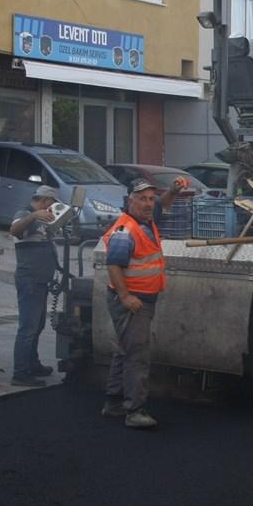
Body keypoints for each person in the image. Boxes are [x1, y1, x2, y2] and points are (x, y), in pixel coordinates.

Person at [100, 176, 187, 429]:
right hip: (132, 302)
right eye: (142, 199)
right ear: (130, 201)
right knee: (137, 355)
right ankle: (135, 410)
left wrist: (173, 190)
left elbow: (162, 203)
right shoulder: (125, 231)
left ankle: (113, 401)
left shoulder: (146, 220)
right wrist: (126, 297)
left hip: (141, 299)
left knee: (125, 350)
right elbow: (114, 264)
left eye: (150, 199)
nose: (149, 204)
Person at [9, 185, 60, 386]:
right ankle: (20, 373)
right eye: (53, 204)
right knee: (28, 327)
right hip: (30, 279)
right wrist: (33, 217)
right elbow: (14, 230)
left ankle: (32, 362)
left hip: (40, 279)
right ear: (46, 201)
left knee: (38, 325)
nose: (53, 208)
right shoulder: (25, 214)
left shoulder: (42, 218)